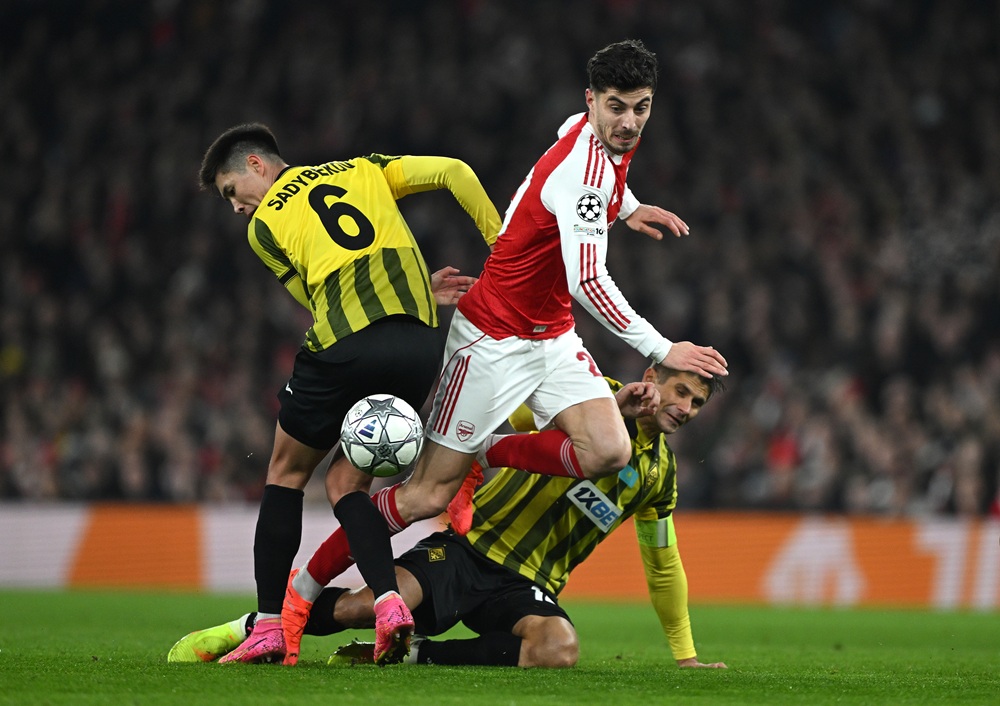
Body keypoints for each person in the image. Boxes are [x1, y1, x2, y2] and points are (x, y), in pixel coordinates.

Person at [277, 38, 729, 666]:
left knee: (609, 448)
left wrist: (628, 208)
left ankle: (489, 449)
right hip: (491, 339)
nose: (630, 122)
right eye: (618, 107)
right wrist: (664, 345)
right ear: (592, 100)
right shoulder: (584, 171)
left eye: (643, 108)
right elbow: (589, 281)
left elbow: (557, 197)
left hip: (550, 336)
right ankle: (293, 598)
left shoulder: (593, 139)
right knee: (426, 498)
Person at [169, 365, 726, 669]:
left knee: (559, 648)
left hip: (526, 583)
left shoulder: (659, 477)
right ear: (652, 374)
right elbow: (499, 412)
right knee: (369, 606)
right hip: (466, 549)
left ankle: (417, 655)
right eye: (681, 390)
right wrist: (460, 462)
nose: (685, 408)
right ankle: (250, 627)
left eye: (697, 403)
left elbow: (663, 564)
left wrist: (686, 656)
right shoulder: (586, 396)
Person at [196, 123, 501, 665]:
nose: (237, 208)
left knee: (286, 474)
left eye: (230, 192)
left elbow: (320, 297)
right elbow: (455, 171)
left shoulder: (264, 226)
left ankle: (269, 626)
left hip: (346, 343)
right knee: (345, 479)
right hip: (417, 341)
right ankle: (388, 604)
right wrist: (499, 255)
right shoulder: (365, 168)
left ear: (258, 167)